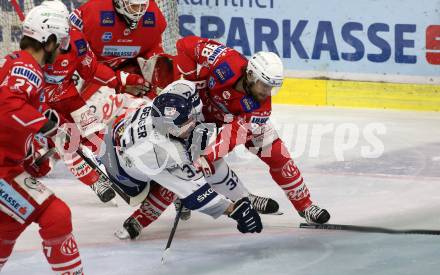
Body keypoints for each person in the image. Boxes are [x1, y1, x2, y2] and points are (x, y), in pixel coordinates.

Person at [173, 36, 331, 224]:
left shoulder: (261, 107)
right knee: (177, 154)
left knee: (279, 157)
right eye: (264, 85)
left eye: (272, 87)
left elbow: (232, 136)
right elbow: (184, 45)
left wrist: (208, 156)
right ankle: (180, 195)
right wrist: (193, 79)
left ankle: (305, 205)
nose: (267, 92)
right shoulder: (226, 60)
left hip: (235, 122)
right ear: (251, 75)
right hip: (199, 113)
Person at [99, 80, 263, 239]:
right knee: (176, 183)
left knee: (194, 159)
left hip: (118, 129)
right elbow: (195, 193)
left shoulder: (175, 96)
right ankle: (141, 218)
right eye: (185, 124)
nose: (191, 125)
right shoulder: (161, 153)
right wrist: (234, 211)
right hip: (123, 173)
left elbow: (188, 86)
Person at [0, 2, 83, 274]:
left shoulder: (21, 65)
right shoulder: (26, 68)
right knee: (56, 215)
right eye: (59, 43)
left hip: (9, 166)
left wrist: (33, 159)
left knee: (7, 227)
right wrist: (48, 128)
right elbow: (7, 108)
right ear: (48, 41)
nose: (61, 51)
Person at [42, 0, 148, 203]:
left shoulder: (76, 40)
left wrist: (121, 81)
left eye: (64, 26)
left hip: (68, 96)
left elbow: (91, 69)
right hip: (41, 104)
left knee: (97, 133)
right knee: (67, 141)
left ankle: (119, 173)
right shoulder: (33, 49)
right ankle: (94, 180)